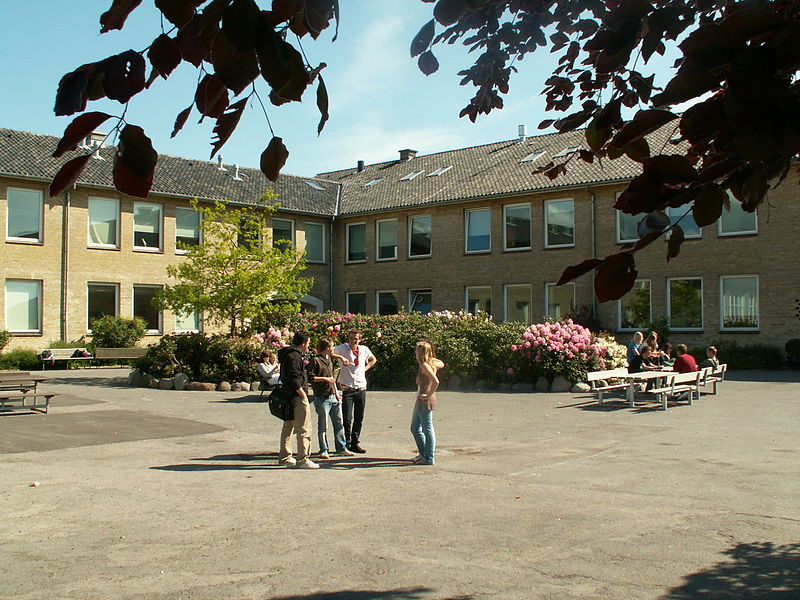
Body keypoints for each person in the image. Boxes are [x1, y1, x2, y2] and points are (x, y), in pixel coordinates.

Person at [276, 331, 318, 469]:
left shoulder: (287, 354)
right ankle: (303, 459)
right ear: (303, 343)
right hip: (296, 397)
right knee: (304, 428)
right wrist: (303, 395)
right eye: (308, 343)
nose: (308, 346)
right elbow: (294, 379)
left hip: (288, 396)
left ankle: (285, 456)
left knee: (288, 427)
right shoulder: (294, 356)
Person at [308, 337, 354, 459]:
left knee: (339, 423)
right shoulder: (316, 360)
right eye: (331, 346)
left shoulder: (330, 360)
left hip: (333, 395)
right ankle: (324, 449)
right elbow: (310, 378)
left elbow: (332, 376)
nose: (333, 349)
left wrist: (336, 391)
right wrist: (324, 379)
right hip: (322, 397)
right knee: (323, 425)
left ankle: (341, 447)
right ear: (326, 348)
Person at [334, 330, 377, 453]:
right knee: (347, 418)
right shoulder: (342, 348)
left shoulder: (364, 349)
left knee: (359, 417)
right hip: (347, 388)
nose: (353, 341)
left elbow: (373, 359)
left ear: (360, 339)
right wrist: (341, 358)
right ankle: (346, 443)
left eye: (356, 339)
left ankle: (355, 442)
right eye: (351, 338)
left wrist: (365, 368)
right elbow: (330, 352)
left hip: (361, 387)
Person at [410, 340, 444, 466]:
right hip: (420, 398)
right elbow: (442, 363)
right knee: (415, 427)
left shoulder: (425, 365)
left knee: (427, 428)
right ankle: (423, 453)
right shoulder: (431, 363)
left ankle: (429, 457)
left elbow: (436, 381)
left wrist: (428, 394)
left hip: (425, 399)